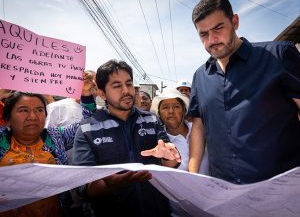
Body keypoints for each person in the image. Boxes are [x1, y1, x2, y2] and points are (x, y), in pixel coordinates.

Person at [188, 0, 300, 184]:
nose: (212, 39)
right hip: (224, 191)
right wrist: (192, 176)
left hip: (282, 188)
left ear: (235, 21)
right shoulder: (200, 76)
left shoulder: (278, 56)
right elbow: (199, 127)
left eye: (218, 28)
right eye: (203, 34)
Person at [72, 59, 181, 217]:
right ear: (102, 93)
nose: (126, 91)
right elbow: (84, 186)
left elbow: (170, 162)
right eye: (117, 86)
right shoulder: (87, 129)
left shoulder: (151, 120)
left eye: (129, 84)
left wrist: (170, 157)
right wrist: (111, 185)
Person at [0, 76, 95, 217]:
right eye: (23, 110)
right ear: (7, 119)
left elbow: (86, 124)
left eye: (39, 110)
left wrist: (86, 95)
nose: (33, 116)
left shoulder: (55, 137)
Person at [151, 89, 209, 216]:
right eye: (165, 107)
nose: (171, 111)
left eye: (176, 106)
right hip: (179, 211)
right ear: (159, 113)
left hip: (211, 206)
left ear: (184, 110)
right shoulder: (159, 144)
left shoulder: (201, 130)